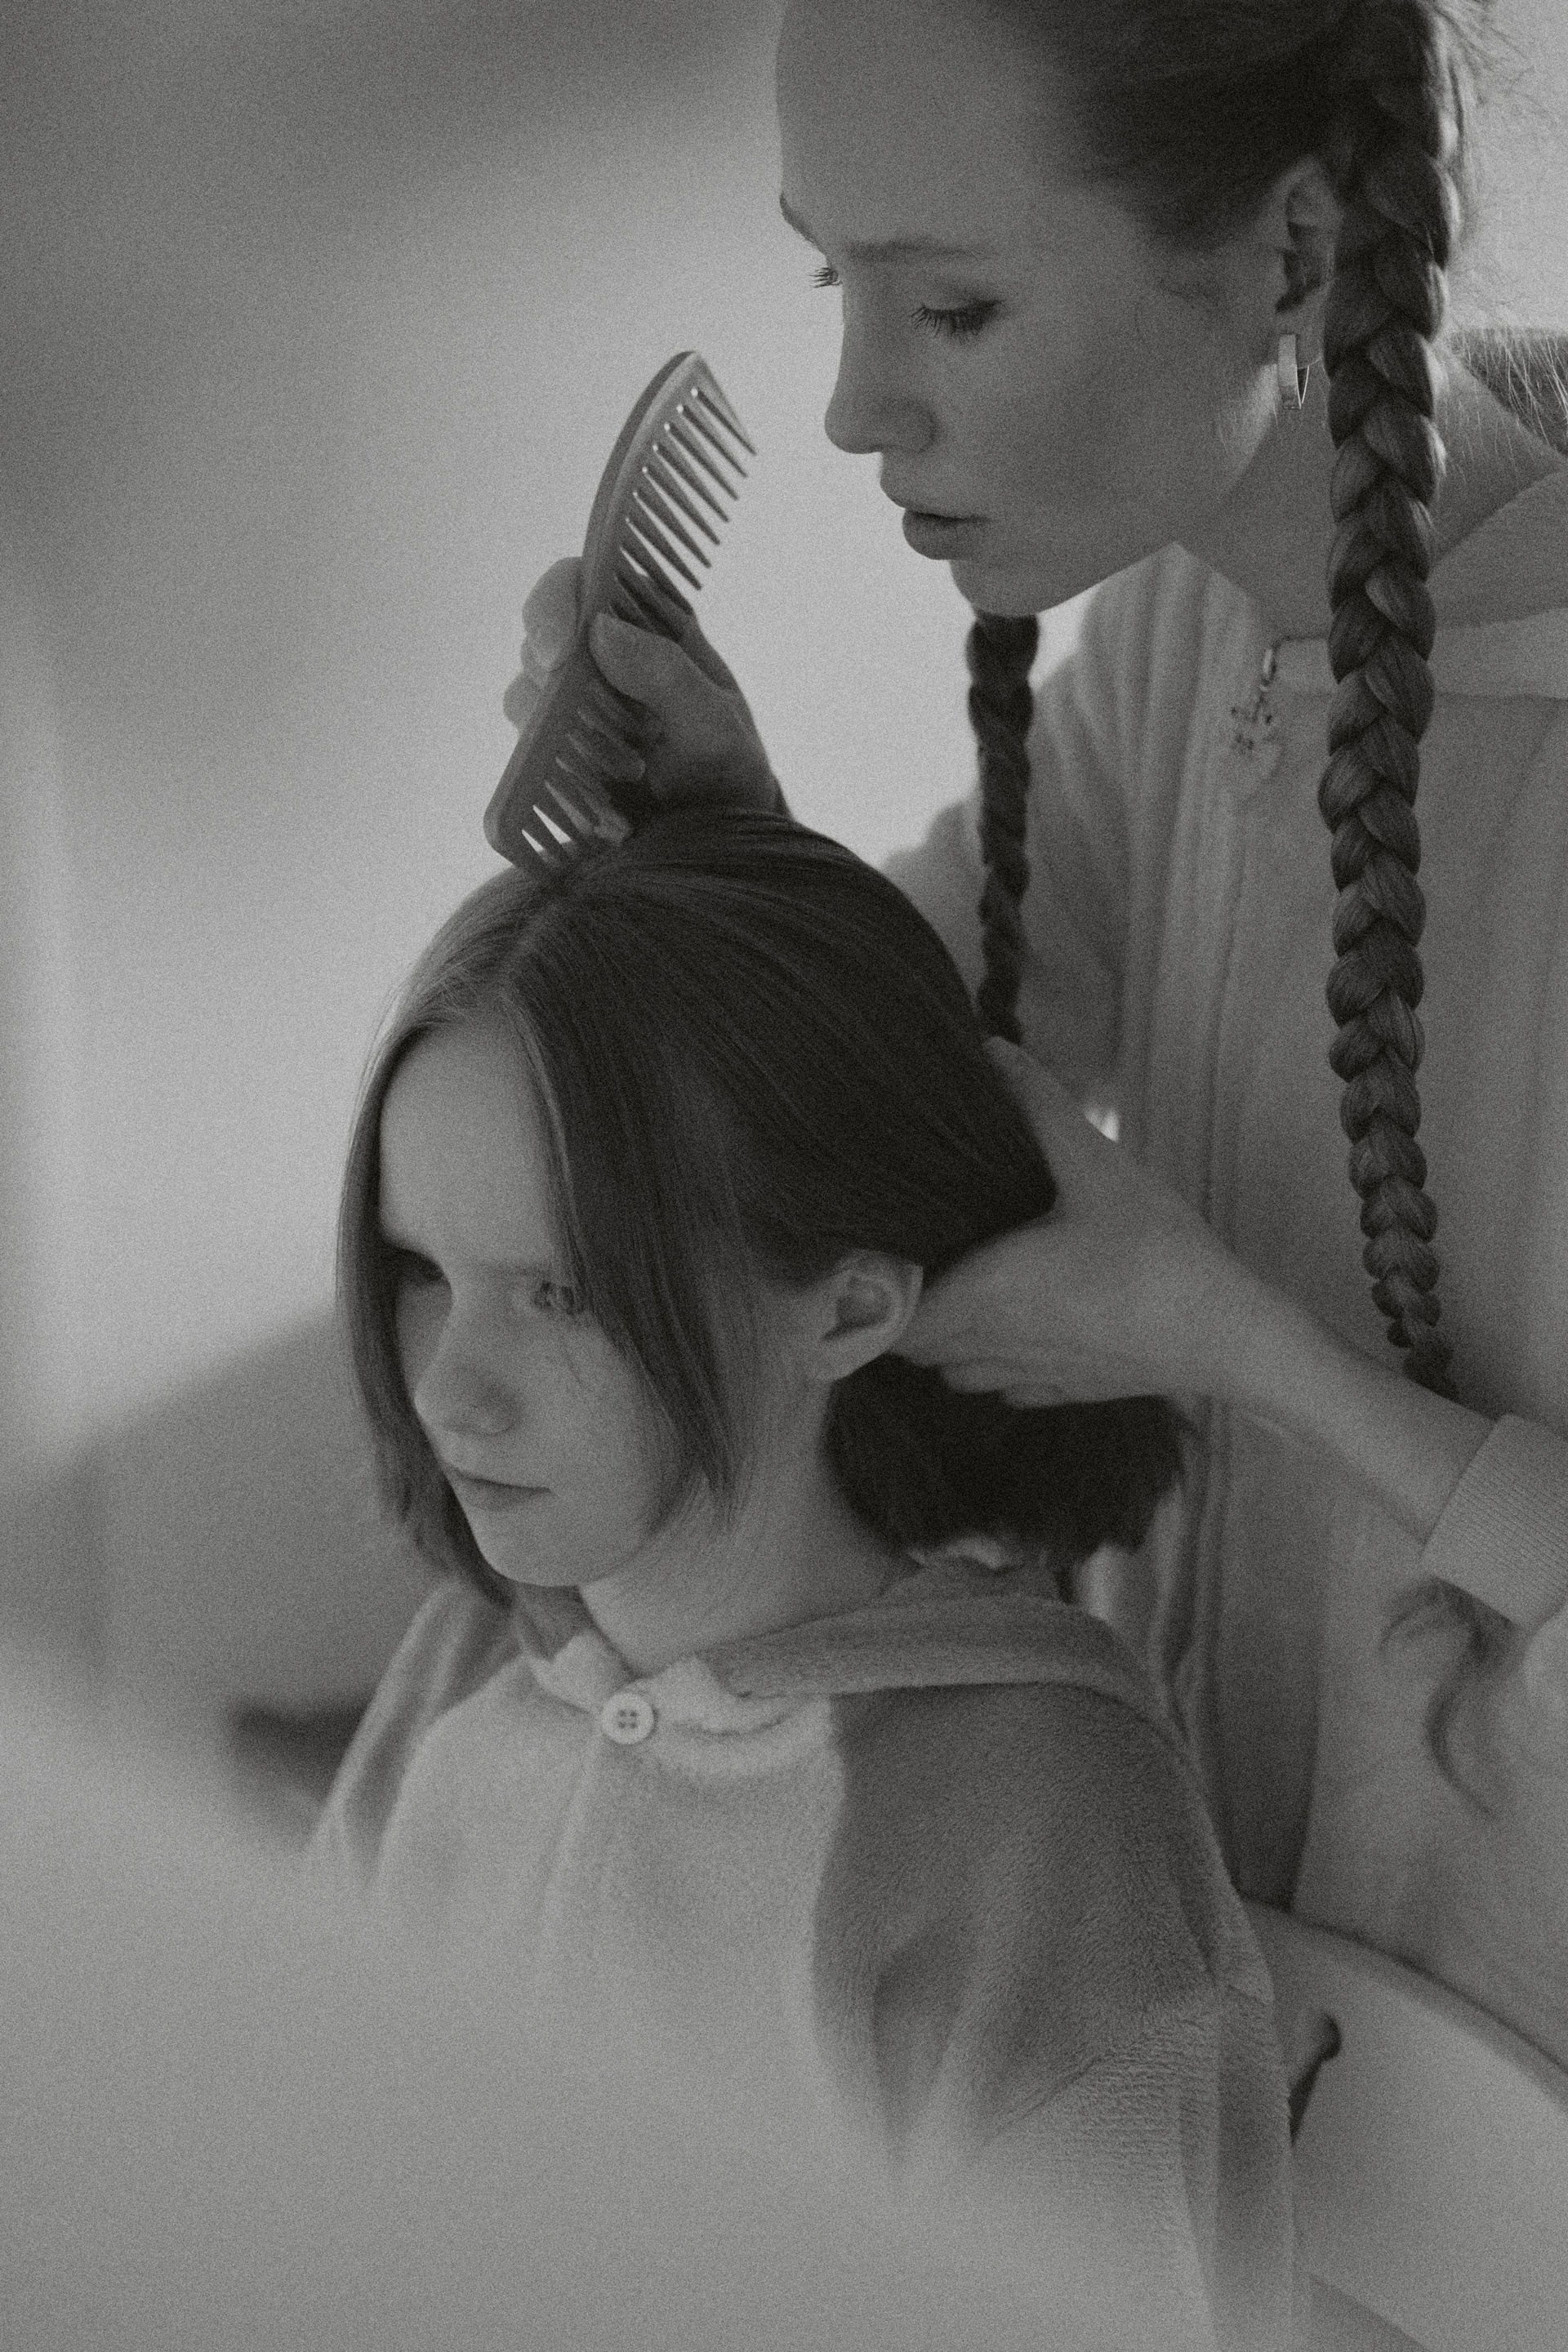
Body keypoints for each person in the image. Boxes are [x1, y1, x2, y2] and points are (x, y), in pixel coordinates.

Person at [510, 0, 1568, 2071]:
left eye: (956, 308)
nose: (853, 409)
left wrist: (1231, 1345)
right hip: (1257, 1961)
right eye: (834, 284)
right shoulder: (1182, 624)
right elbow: (946, 1055)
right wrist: (729, 825)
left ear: (1291, 251)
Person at [310, 810, 1299, 2350]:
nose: (451, 1392)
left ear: (845, 1310)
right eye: (423, 1273)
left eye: (559, 1291)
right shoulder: (461, 1678)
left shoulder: (1040, 1825)